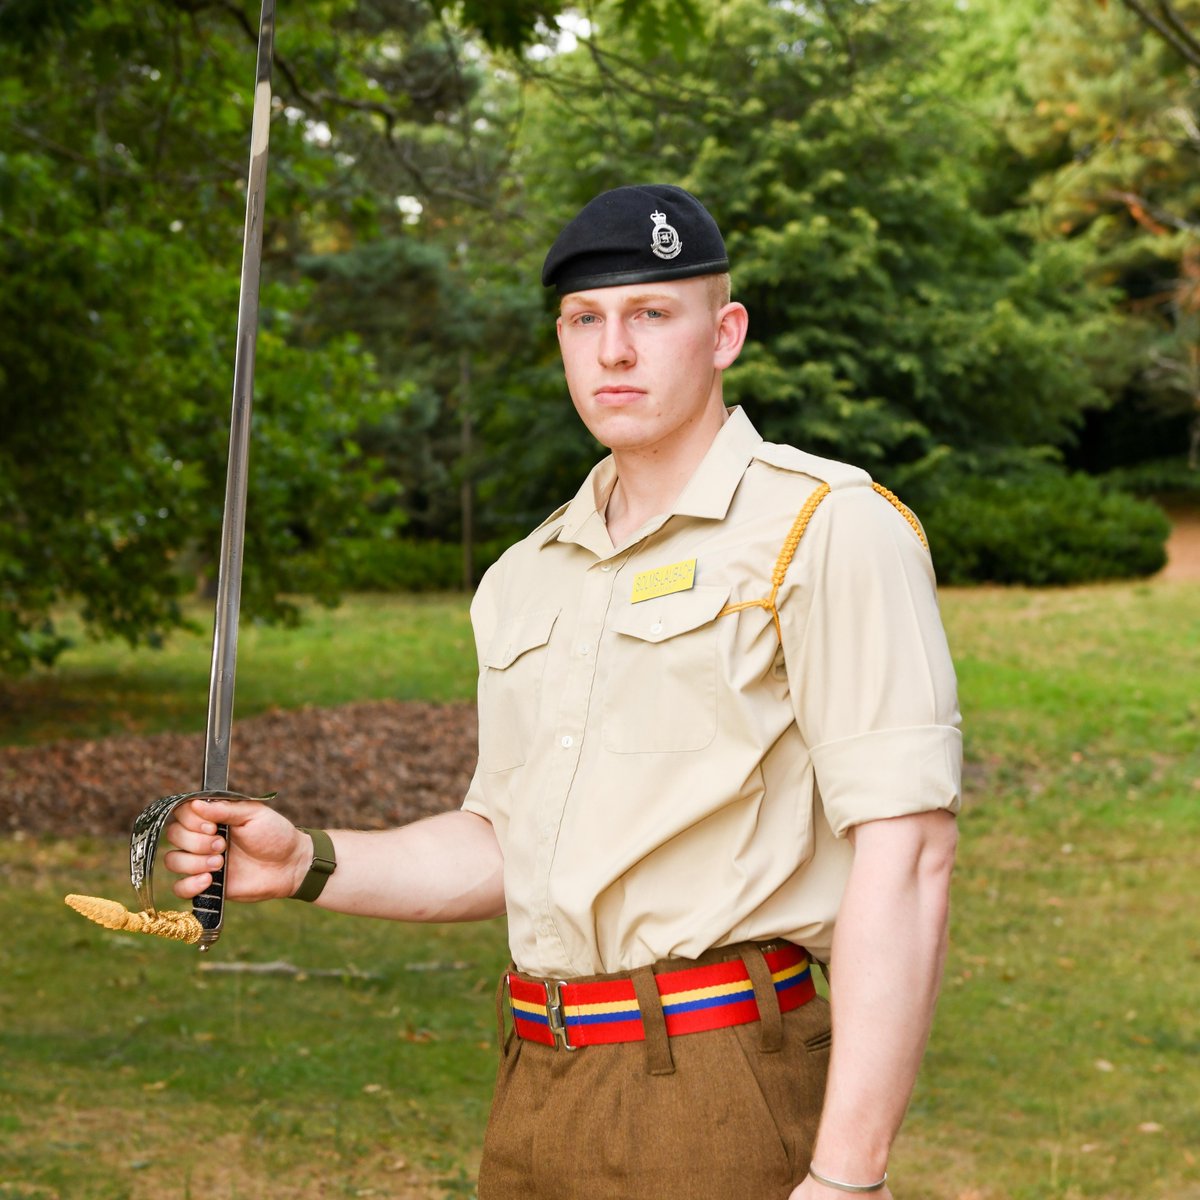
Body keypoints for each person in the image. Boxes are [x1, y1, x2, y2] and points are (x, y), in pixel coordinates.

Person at [165, 183, 961, 1199]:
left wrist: (848, 1174)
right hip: (537, 1085)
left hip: (723, 1086)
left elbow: (909, 853)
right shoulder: (528, 573)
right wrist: (309, 861)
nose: (613, 350)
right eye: (585, 320)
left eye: (651, 314)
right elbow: (510, 841)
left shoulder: (827, 527)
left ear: (724, 335)